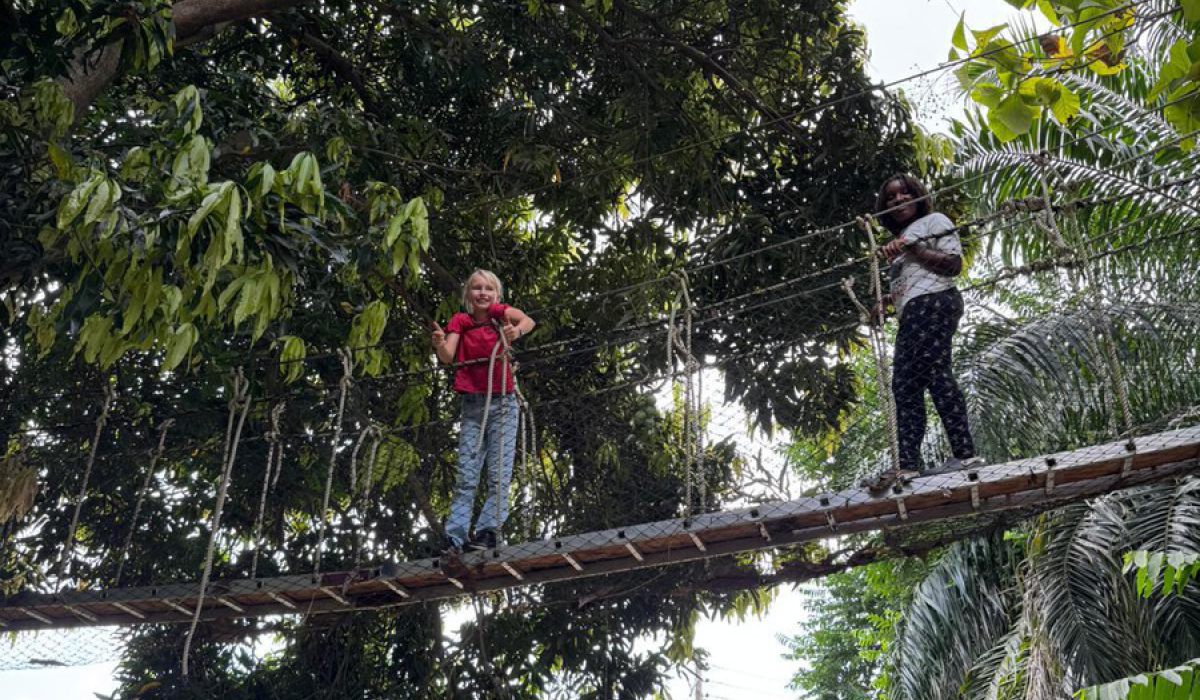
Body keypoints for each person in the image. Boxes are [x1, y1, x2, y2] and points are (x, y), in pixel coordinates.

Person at [870, 174, 982, 488]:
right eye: (891, 197)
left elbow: (953, 265)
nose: (898, 200)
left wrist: (913, 248)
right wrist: (887, 303)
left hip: (934, 302)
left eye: (905, 193)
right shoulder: (899, 243)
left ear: (918, 196)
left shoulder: (934, 221)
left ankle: (965, 454)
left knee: (935, 371)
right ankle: (907, 466)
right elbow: (910, 283)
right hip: (913, 312)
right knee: (904, 386)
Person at [432, 269, 535, 552]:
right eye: (476, 288)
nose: (482, 293)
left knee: (499, 472)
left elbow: (528, 320)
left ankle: (488, 530)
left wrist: (517, 330)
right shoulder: (461, 322)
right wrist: (440, 344)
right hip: (473, 404)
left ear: (497, 295)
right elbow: (448, 356)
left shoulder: (499, 315)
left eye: (488, 289)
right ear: (468, 295)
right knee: (467, 473)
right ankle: (455, 537)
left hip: (503, 402)